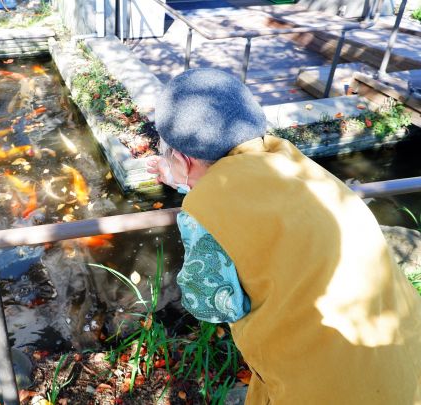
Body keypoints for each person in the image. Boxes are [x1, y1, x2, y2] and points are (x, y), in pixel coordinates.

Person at [147, 68, 421, 404]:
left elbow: (212, 304)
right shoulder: (290, 160)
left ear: (184, 159)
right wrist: (179, 180)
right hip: (401, 353)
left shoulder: (206, 208)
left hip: (329, 384)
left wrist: (191, 201)